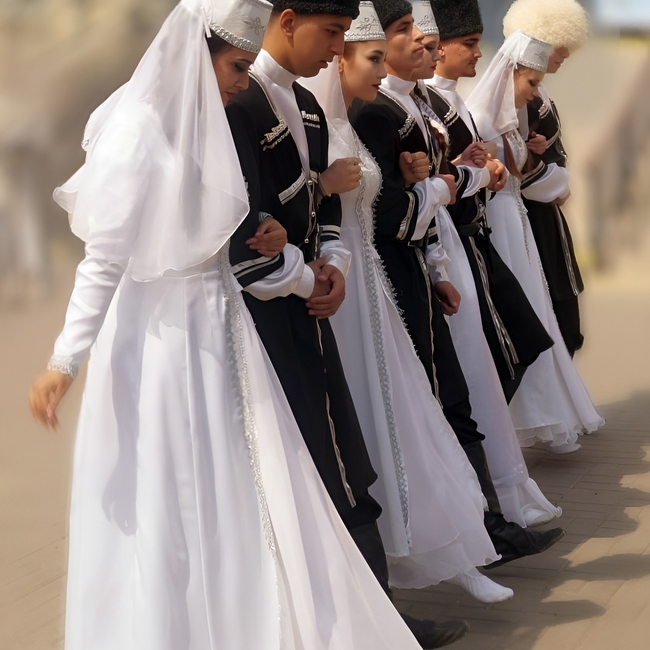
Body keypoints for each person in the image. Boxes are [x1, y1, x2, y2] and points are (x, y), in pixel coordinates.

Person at [28, 1, 427, 647]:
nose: (244, 80)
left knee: (248, 490)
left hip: (224, 329)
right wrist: (64, 361)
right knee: (175, 495)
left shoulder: (206, 122)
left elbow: (228, 227)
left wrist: (272, 234)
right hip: (160, 341)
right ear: (196, 56)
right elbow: (104, 261)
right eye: (237, 67)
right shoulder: (135, 130)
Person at [226, 1, 467, 646]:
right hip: (267, 320)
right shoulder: (240, 105)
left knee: (343, 461)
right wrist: (310, 259)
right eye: (331, 33)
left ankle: (376, 618)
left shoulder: (306, 105)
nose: (337, 50)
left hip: (310, 306)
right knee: (306, 468)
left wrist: (332, 265)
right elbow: (245, 228)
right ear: (287, 21)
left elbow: (325, 213)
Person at [302, 0, 511, 606]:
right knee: (380, 420)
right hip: (345, 293)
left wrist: (420, 178)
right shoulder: (328, 125)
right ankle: (398, 573)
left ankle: (455, 548)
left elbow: (380, 204)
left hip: (372, 283)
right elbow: (333, 212)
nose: (379, 70)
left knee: (413, 412)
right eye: (371, 57)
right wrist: (326, 187)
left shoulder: (351, 122)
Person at [351, 0, 564, 532]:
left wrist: (452, 182)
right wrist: (455, 182)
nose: (422, 44)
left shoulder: (415, 103)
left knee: (472, 378)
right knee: (449, 388)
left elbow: (435, 183)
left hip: (437, 250)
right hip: (402, 261)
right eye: (406, 34)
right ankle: (479, 521)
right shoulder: (378, 112)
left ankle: (487, 516)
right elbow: (390, 209)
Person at [422, 0, 562, 526]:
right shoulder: (421, 104)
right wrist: (479, 173)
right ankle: (488, 497)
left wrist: (485, 170)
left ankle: (499, 487)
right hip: (456, 242)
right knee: (494, 357)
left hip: (469, 240)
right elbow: (435, 180)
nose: (477, 53)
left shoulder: (445, 102)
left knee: (517, 343)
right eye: (467, 43)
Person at [466, 29, 604, 453]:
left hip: (518, 222)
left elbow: (524, 171)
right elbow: (495, 176)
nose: (534, 91)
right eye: (530, 82)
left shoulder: (513, 121)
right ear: (509, 74)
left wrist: (533, 153)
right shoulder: (481, 118)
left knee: (540, 312)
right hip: (499, 223)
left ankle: (543, 412)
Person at [503, 0, 590, 357]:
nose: (566, 54)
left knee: (565, 317)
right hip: (533, 218)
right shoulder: (521, 98)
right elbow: (521, 169)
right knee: (554, 316)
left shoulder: (539, 94)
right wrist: (559, 182)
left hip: (548, 215)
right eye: (559, 45)